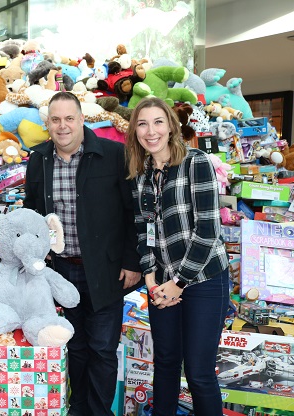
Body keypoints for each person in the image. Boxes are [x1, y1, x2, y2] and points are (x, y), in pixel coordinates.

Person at [23, 92, 142, 416]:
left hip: (106, 271)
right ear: (47, 123)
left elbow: (134, 213)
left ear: (81, 119)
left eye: (69, 118)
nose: (63, 126)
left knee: (102, 349)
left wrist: (133, 262)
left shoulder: (114, 154)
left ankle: (99, 412)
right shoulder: (39, 159)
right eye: (56, 119)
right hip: (62, 271)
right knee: (73, 344)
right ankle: (78, 407)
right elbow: (31, 211)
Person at [125, 97, 229, 416]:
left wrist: (178, 283)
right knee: (166, 365)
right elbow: (143, 233)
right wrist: (151, 278)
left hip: (203, 279)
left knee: (198, 373)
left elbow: (208, 230)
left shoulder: (196, 162)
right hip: (163, 283)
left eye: (158, 122)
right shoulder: (140, 176)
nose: (151, 130)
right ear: (135, 132)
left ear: (171, 125)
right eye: (142, 123)